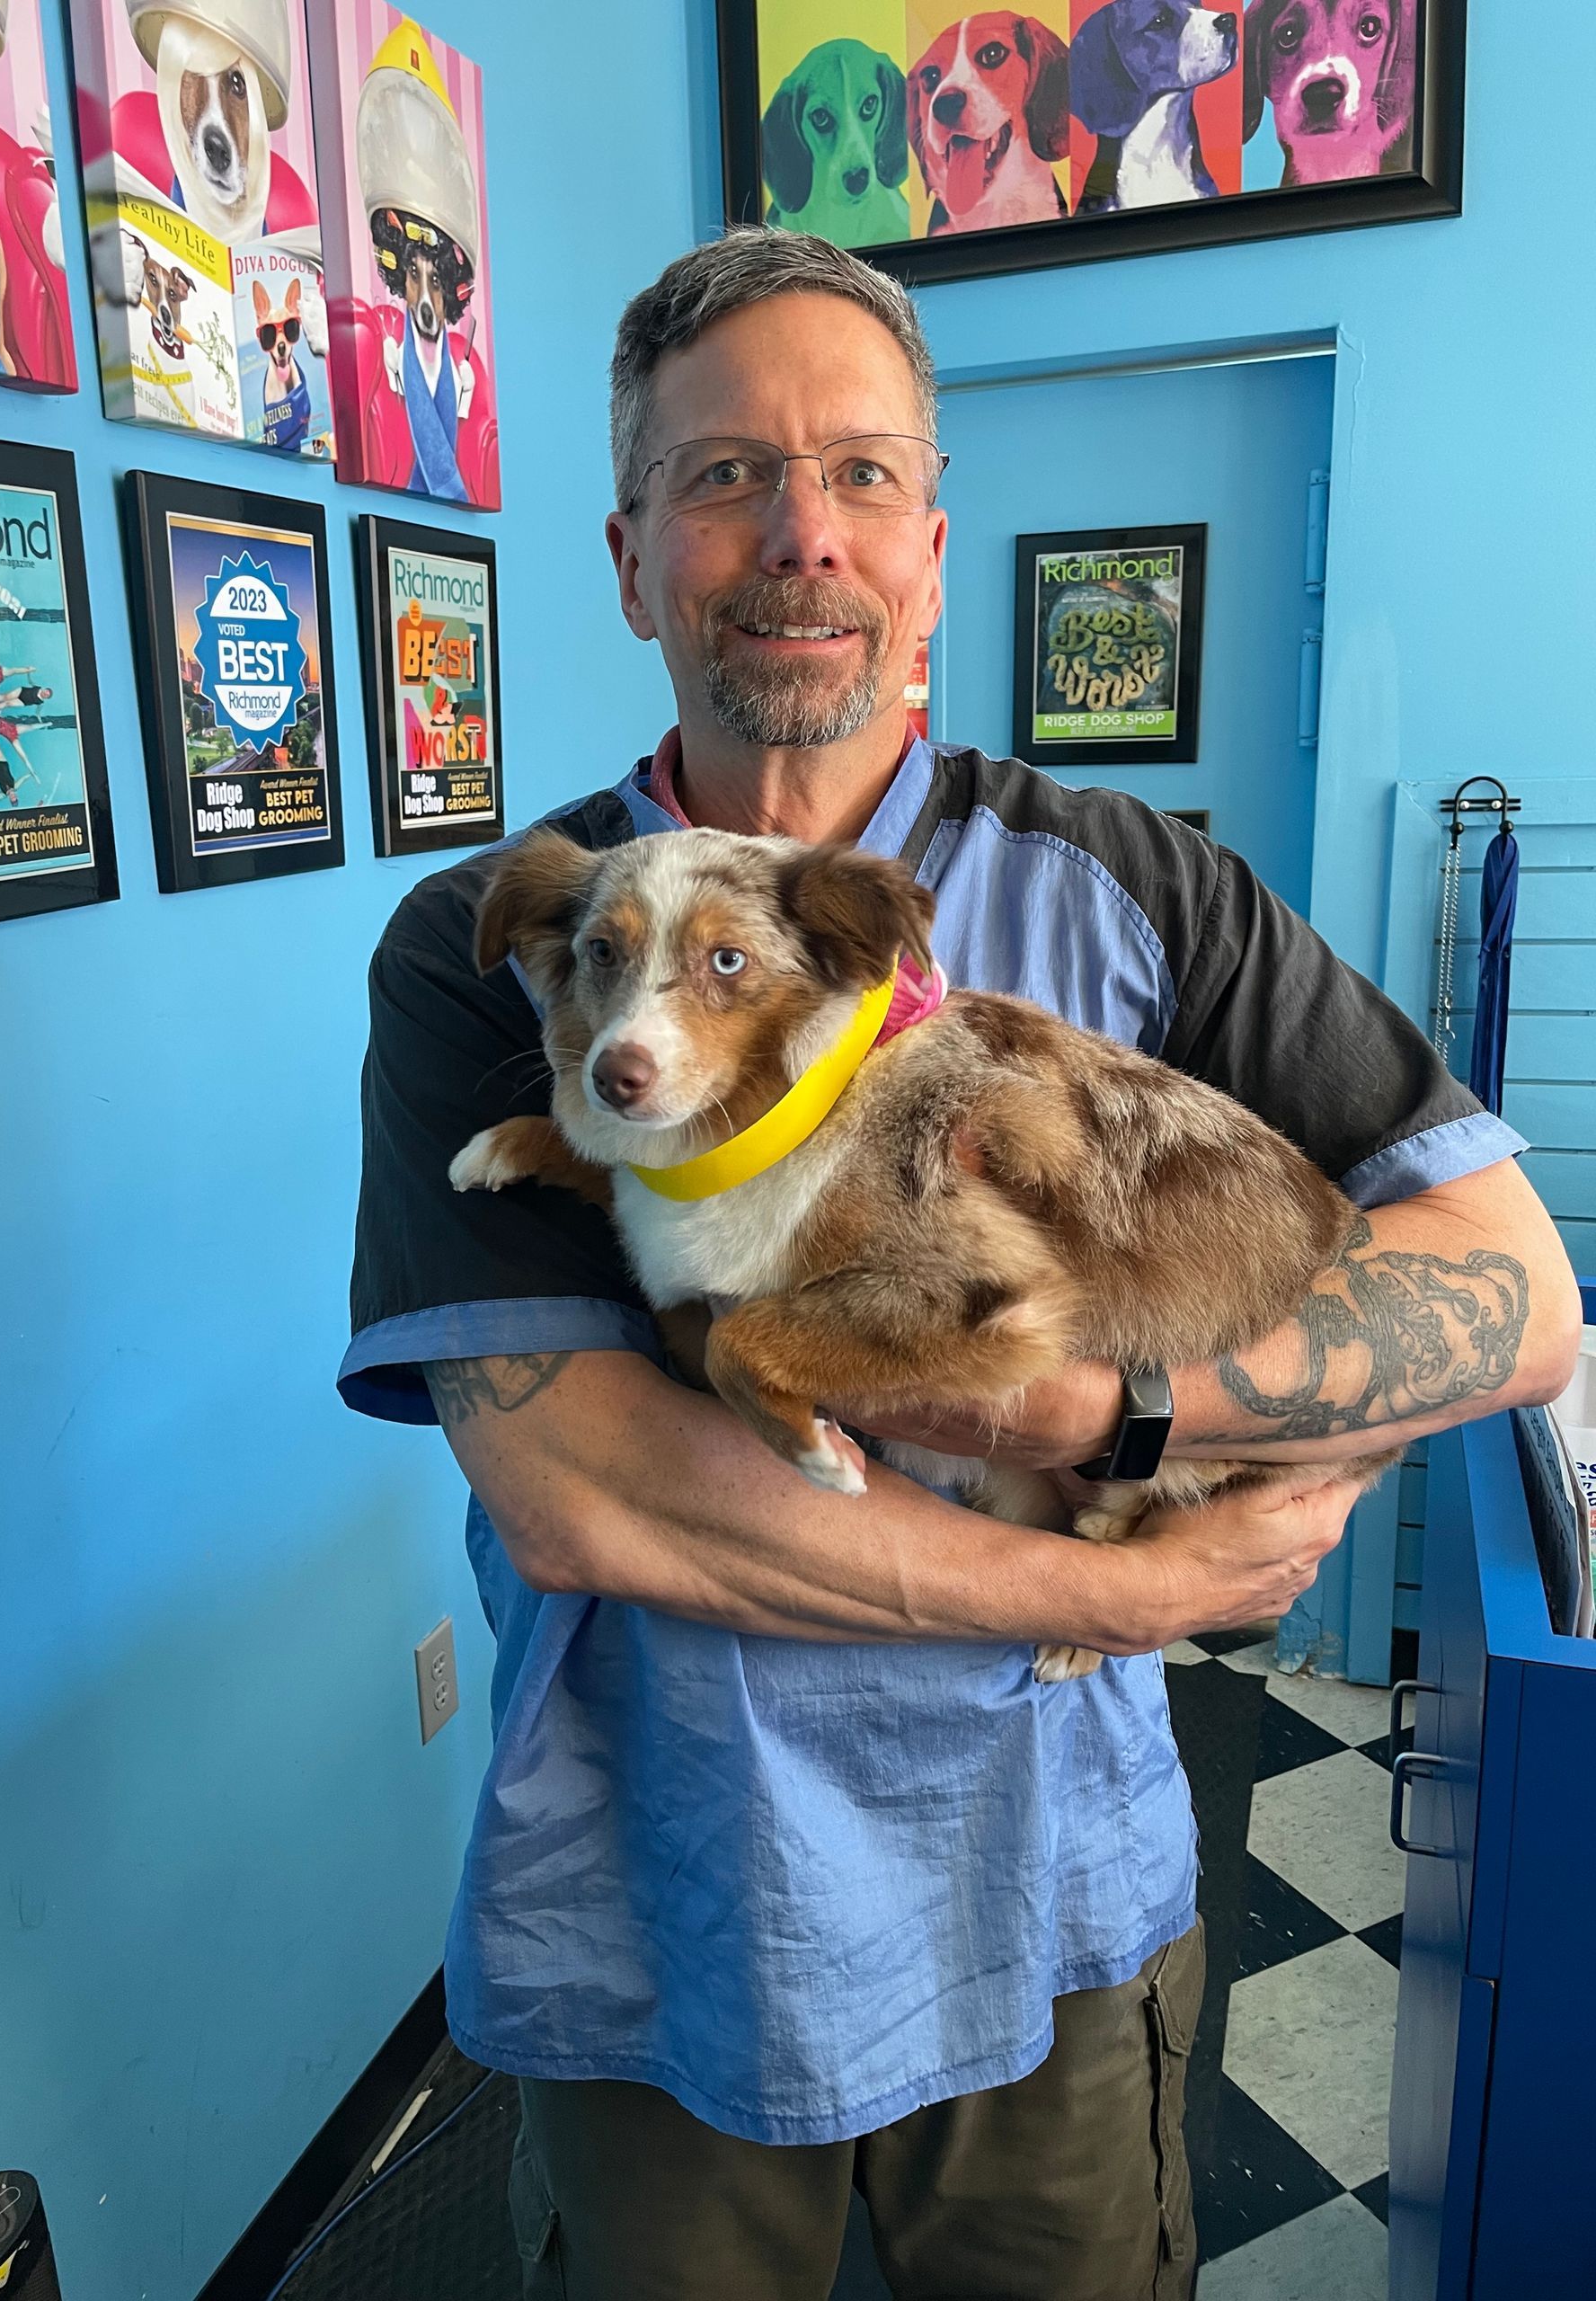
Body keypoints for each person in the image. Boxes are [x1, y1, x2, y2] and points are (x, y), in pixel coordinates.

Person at [341, 229, 1582, 2300]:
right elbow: (586, 1489)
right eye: (724, 474)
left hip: (1045, 1891)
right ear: (633, 554)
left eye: (860, 474)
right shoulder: (512, 937)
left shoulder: (1141, 890)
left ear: (932, 539)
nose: (797, 532)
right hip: (673, 1907)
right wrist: (1135, 1582)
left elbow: (1516, 1288)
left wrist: (1142, 1410)